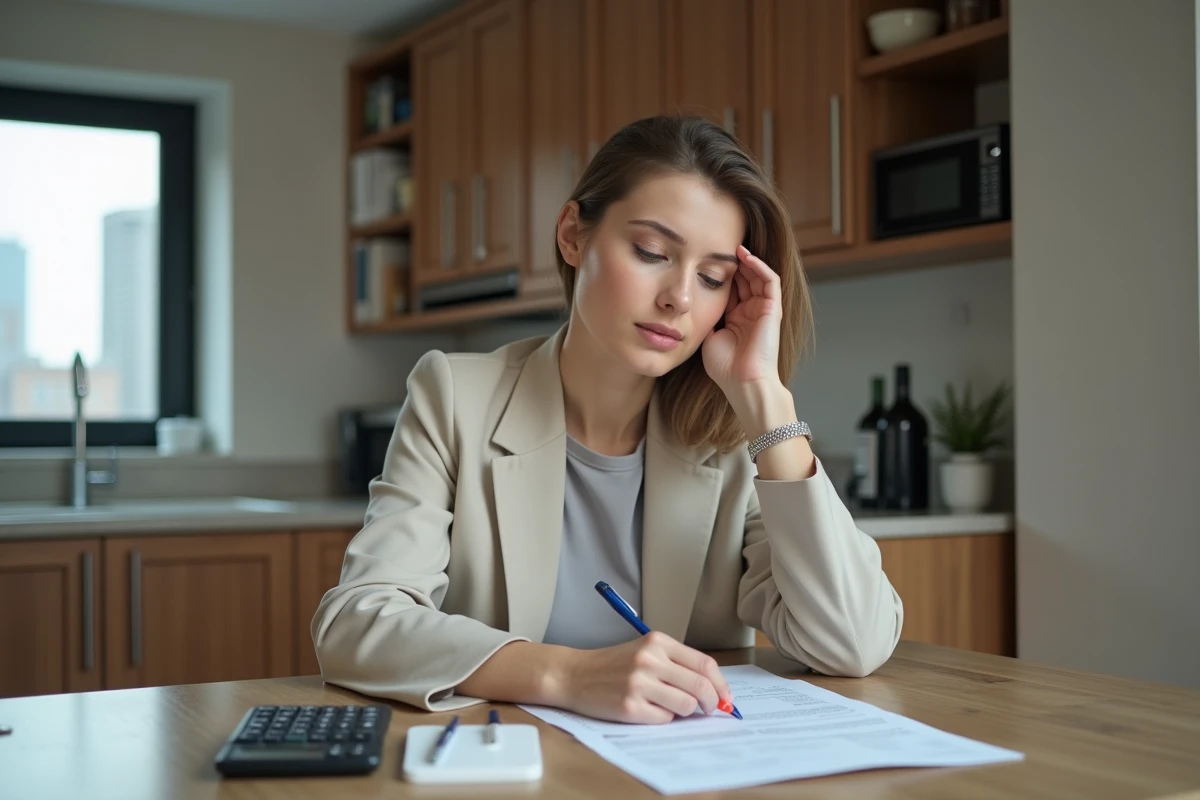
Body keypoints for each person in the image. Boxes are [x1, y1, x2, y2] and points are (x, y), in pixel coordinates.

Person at [313, 115, 903, 723]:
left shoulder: (731, 439)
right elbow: (356, 623)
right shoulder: (455, 395)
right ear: (574, 235)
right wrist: (565, 674)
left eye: (713, 277)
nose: (679, 296)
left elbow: (853, 643)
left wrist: (766, 400)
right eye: (651, 252)